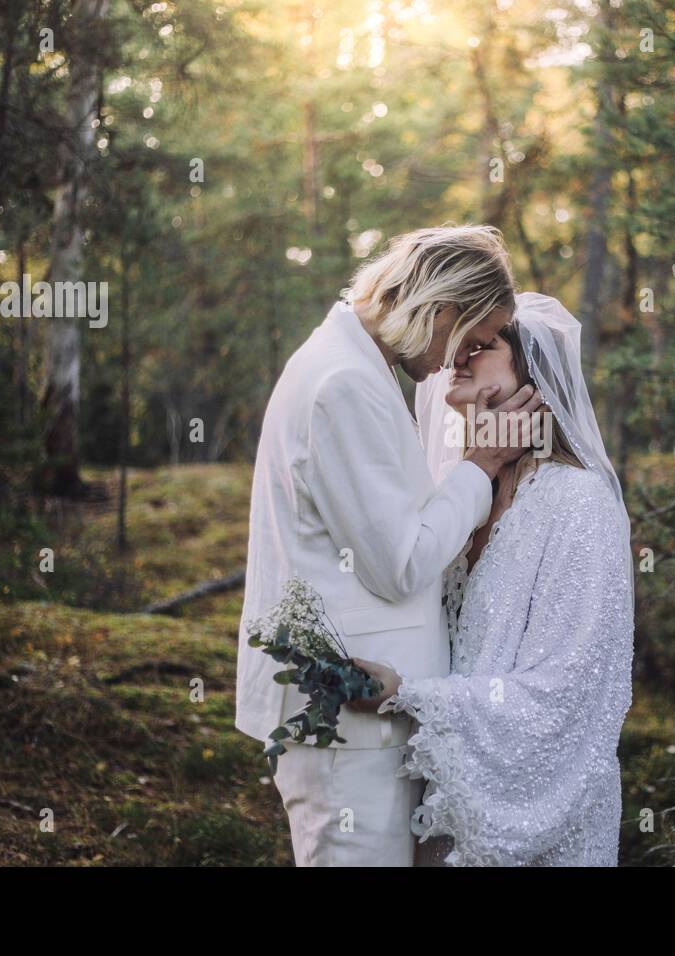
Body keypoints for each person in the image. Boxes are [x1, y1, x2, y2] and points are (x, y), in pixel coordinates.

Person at [234, 225, 542, 866]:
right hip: (350, 726)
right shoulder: (342, 382)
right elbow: (400, 563)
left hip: (373, 721)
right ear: (442, 306)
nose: (465, 359)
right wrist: (481, 464)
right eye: (475, 338)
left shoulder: (356, 368)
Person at [353, 292, 635, 866]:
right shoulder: (455, 494)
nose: (459, 355)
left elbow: (573, 691)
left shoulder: (576, 505)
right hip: (446, 795)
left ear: (532, 372)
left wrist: (409, 696)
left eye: (483, 345)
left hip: (539, 815)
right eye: (458, 342)